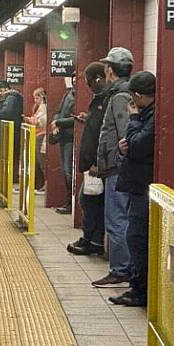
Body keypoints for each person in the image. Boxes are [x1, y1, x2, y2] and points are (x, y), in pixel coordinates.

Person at [108, 71, 156, 307]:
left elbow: (138, 146)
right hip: (137, 185)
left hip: (143, 187)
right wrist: (123, 146)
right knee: (135, 236)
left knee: (136, 238)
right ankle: (137, 287)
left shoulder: (149, 117)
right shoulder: (148, 115)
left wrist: (133, 120)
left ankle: (140, 290)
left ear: (137, 96)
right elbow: (131, 145)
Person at [92, 47, 134, 288]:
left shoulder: (119, 96)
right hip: (118, 168)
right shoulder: (123, 93)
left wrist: (111, 162)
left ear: (109, 70)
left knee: (116, 218)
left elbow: (123, 134)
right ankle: (123, 268)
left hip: (117, 169)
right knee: (119, 217)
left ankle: (120, 270)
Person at [68, 62, 110, 256]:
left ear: (98, 79)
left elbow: (105, 133)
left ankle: (91, 240)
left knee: (89, 200)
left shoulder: (108, 99)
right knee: (90, 200)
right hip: (95, 161)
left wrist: (96, 162)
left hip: (98, 163)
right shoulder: (100, 99)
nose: (88, 86)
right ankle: (92, 239)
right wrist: (88, 118)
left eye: (89, 82)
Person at [52, 77, 77, 213]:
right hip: (63, 136)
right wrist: (56, 121)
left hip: (71, 137)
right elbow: (59, 110)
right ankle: (68, 202)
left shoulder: (78, 96)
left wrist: (59, 122)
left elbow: (76, 118)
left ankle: (70, 203)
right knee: (65, 170)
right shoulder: (68, 94)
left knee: (68, 171)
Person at [23, 87, 48, 192]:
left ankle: (45, 184)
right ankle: (43, 184)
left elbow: (42, 121)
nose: (35, 100)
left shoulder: (43, 107)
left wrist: (30, 120)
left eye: (36, 98)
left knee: (41, 160)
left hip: (40, 135)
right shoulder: (40, 107)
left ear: (42, 97)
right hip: (38, 134)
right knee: (39, 161)